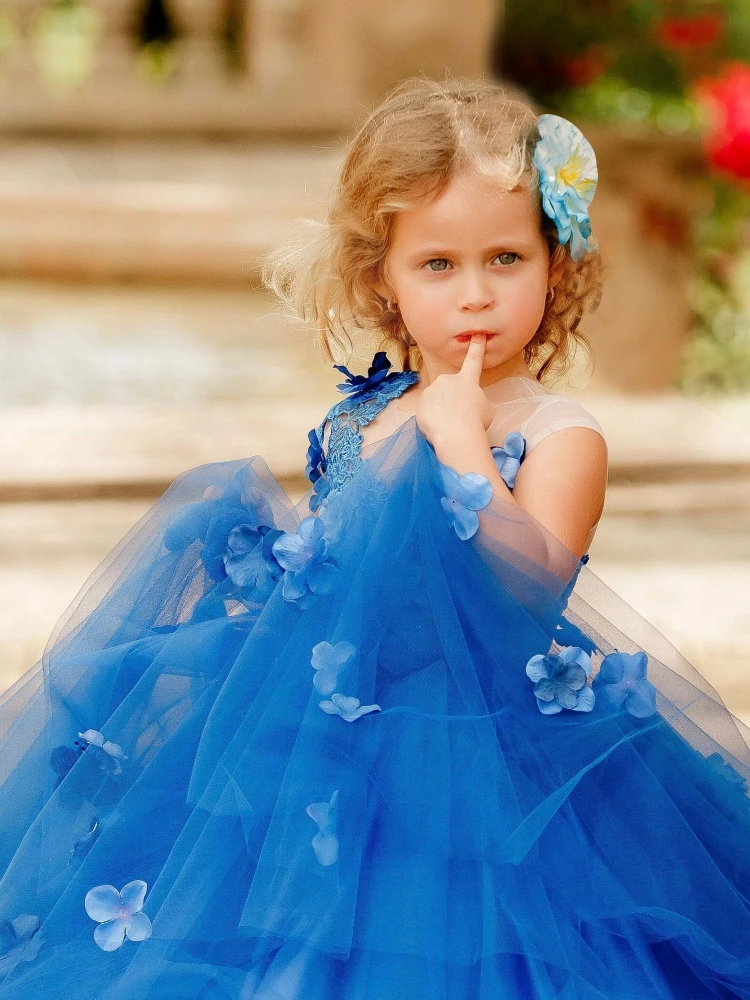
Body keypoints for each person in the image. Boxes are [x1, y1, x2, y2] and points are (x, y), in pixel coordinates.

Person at [0, 77, 748, 1000]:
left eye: (507, 258)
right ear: (380, 278)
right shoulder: (367, 415)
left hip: (470, 760)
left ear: (557, 263)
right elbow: (336, 567)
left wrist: (466, 443)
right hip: (324, 735)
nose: (477, 294)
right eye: (438, 264)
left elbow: (526, 598)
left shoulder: (562, 436)